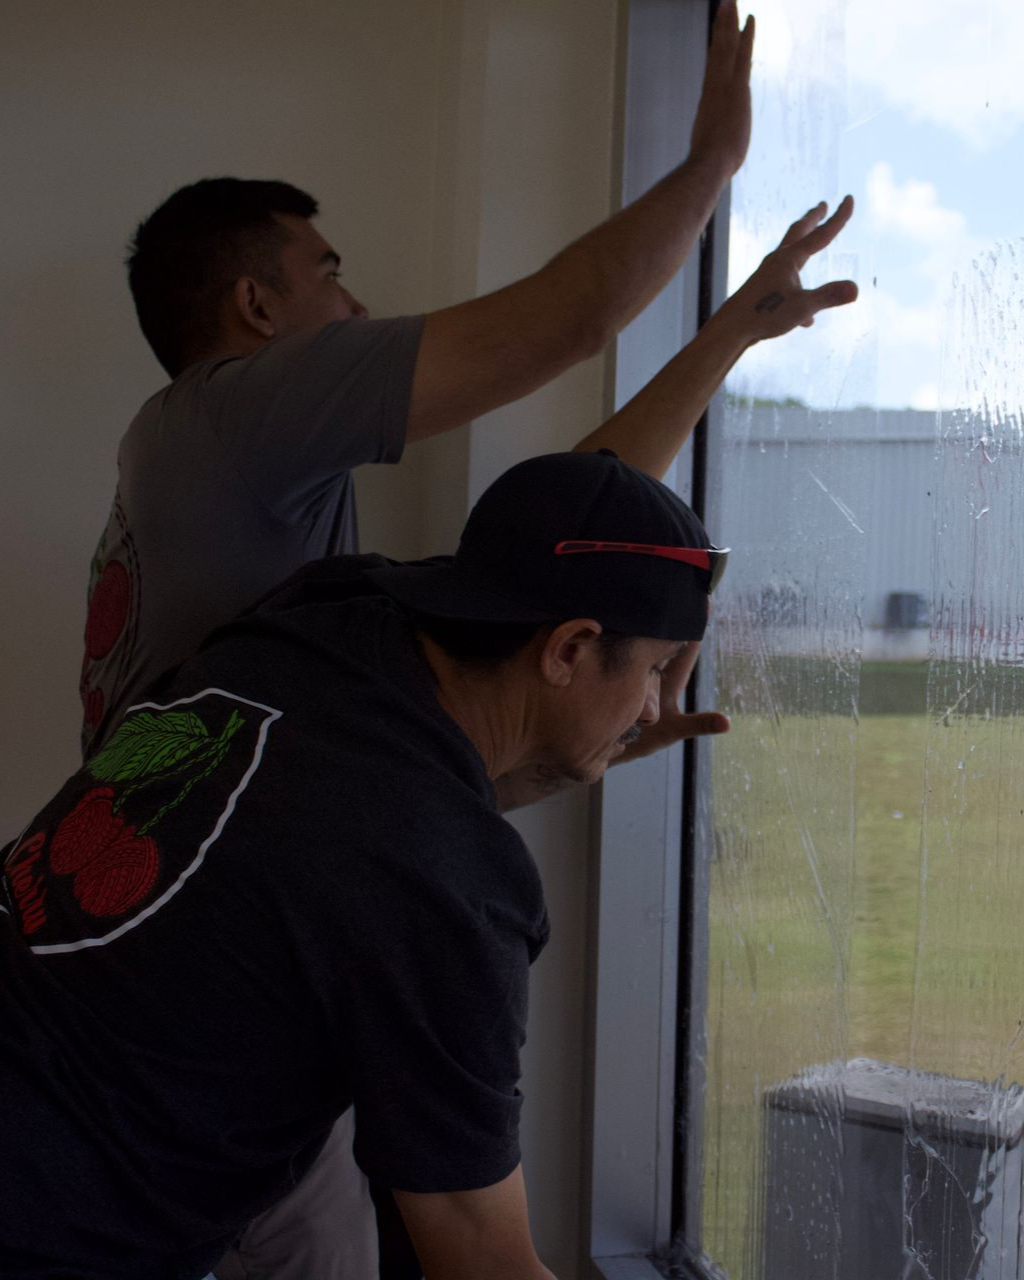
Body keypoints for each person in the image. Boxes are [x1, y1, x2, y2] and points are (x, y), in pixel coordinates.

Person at [72, 2, 859, 1270]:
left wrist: (727, 334)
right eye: (329, 271)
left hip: (189, 954)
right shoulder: (228, 418)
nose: (360, 296)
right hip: (189, 1000)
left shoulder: (300, 571)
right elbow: (567, 319)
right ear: (256, 306)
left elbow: (565, 539)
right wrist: (714, 161)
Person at [2, 449, 732, 1280]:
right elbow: (481, 1254)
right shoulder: (448, 890)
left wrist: (597, 738)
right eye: (656, 669)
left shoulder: (331, 611)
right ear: (568, 648)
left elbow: (375, 812)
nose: (656, 708)